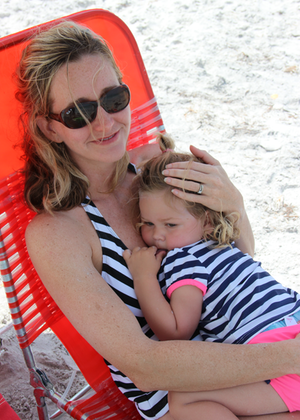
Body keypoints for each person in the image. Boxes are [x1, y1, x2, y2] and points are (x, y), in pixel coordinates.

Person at [17, 20, 300, 420]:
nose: (104, 123)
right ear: (50, 128)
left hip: (260, 349)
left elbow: (235, 261)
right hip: (195, 403)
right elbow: (145, 365)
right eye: (78, 113)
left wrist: (234, 205)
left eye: (113, 98)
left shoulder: (159, 169)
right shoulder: (59, 233)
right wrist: (291, 357)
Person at [123, 133, 300, 418]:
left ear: (206, 220)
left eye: (170, 224)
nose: (157, 235)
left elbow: (177, 331)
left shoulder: (183, 259)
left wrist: (143, 278)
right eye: (147, 223)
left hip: (278, 359)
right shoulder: (223, 243)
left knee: (183, 400)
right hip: (293, 327)